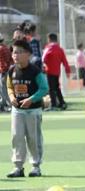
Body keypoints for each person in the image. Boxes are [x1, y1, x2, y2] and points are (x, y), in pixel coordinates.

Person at [5, 40, 48, 178]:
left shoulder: (35, 71)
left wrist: (31, 99)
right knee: (16, 137)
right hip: (17, 111)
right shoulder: (12, 70)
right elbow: (9, 86)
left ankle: (36, 166)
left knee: (33, 138)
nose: (15, 55)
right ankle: (18, 167)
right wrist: (11, 97)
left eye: (19, 52)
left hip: (33, 111)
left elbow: (44, 88)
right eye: (14, 52)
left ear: (28, 54)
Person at [42, 33, 71, 110]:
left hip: (49, 71)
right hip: (57, 72)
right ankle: (62, 103)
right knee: (57, 88)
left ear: (49, 39)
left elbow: (43, 58)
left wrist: (43, 66)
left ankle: (54, 104)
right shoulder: (60, 49)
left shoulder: (48, 48)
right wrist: (68, 71)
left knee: (51, 88)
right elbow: (64, 61)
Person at [0, 34, 13, 112]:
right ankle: (5, 104)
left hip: (3, 71)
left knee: (3, 90)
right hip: (7, 70)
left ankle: (9, 105)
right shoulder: (5, 48)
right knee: (5, 89)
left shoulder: (1, 48)